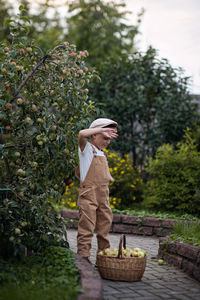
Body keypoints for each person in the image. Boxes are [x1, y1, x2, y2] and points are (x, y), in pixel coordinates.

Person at [77, 118, 118, 262]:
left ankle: (103, 257)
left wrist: (104, 132)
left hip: (103, 195)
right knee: (86, 228)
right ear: (95, 135)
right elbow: (81, 134)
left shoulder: (102, 153)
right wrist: (101, 129)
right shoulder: (86, 149)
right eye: (105, 138)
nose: (108, 141)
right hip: (89, 195)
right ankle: (83, 258)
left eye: (110, 138)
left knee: (104, 227)